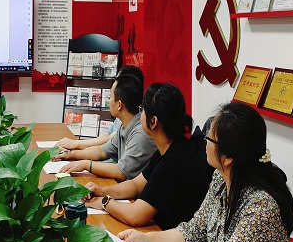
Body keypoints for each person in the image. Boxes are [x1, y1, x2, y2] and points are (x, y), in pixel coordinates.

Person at [118, 102, 293, 242]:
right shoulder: (221, 178)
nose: (204, 141)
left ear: (228, 157)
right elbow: (194, 231)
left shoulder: (261, 206)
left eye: (210, 138)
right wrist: (145, 239)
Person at [83, 83, 210, 230]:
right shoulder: (169, 147)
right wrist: (101, 191)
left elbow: (136, 215)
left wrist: (104, 202)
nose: (140, 114)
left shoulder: (176, 160)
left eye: (142, 110)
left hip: (166, 235)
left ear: (153, 121)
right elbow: (136, 185)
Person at [57, 73, 156, 181]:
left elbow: (121, 172)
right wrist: (69, 155)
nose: (109, 101)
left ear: (119, 105)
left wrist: (86, 165)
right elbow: (101, 151)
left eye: (110, 97)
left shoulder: (140, 134)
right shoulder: (125, 125)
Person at [56, 65, 144, 153]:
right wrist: (72, 150)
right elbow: (105, 140)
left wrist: (76, 144)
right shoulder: (122, 116)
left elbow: (107, 142)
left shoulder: (132, 123)